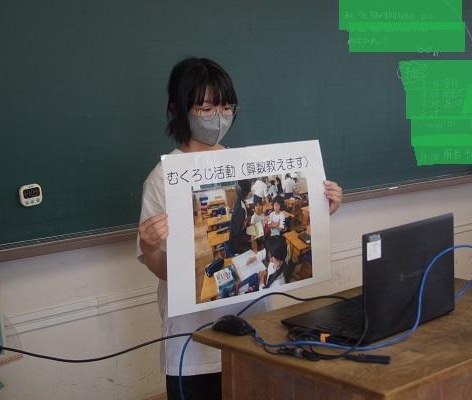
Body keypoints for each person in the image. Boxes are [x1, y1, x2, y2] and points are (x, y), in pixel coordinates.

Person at [136, 57, 343, 400]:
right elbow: (164, 271)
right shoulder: (161, 180)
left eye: (226, 107)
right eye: (205, 108)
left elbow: (273, 233)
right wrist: (149, 245)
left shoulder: (243, 164)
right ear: (177, 110)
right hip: (193, 346)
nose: (218, 117)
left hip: (252, 331)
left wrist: (321, 210)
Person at [228, 179, 253, 255]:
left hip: (241, 236)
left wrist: (247, 221)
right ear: (245, 192)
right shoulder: (240, 209)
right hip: (238, 243)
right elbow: (237, 233)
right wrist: (248, 239)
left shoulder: (240, 200)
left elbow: (244, 218)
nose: (251, 192)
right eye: (249, 190)